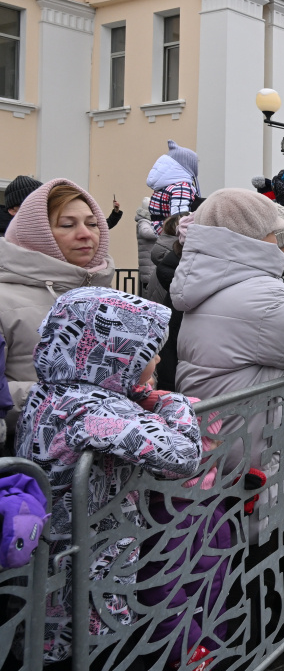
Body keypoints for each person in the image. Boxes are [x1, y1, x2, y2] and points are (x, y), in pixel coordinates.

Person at [170, 188, 284, 658]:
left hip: (233, 442)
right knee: (261, 551)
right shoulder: (254, 293)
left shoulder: (226, 285)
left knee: (257, 548)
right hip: (251, 449)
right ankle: (268, 642)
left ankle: (275, 636)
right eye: (278, 235)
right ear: (254, 239)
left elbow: (266, 335)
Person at [17, 287, 201, 670]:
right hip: (92, 562)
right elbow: (182, 457)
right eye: (148, 352)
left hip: (53, 554)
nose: (157, 360)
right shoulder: (91, 408)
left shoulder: (54, 390)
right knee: (92, 648)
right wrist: (170, 402)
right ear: (114, 354)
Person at [0, 179, 116, 453]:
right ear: (36, 233)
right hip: (28, 465)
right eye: (68, 225)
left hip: (107, 460)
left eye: (92, 223)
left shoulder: (106, 291)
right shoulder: (4, 298)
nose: (86, 234)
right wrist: (66, 400)